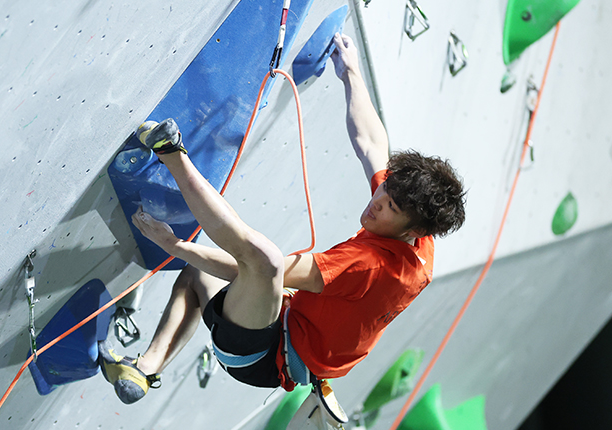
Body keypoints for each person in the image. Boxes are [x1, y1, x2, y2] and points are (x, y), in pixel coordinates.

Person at [98, 33, 466, 404]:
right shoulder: (414, 226)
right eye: (384, 190)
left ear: (414, 227)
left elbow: (252, 270)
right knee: (196, 276)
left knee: (267, 261)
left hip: (263, 357)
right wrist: (351, 73)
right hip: (283, 326)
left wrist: (174, 245)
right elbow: (371, 143)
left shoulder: (370, 266)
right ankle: (144, 369)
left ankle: (170, 152)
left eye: (391, 208)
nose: (377, 202)